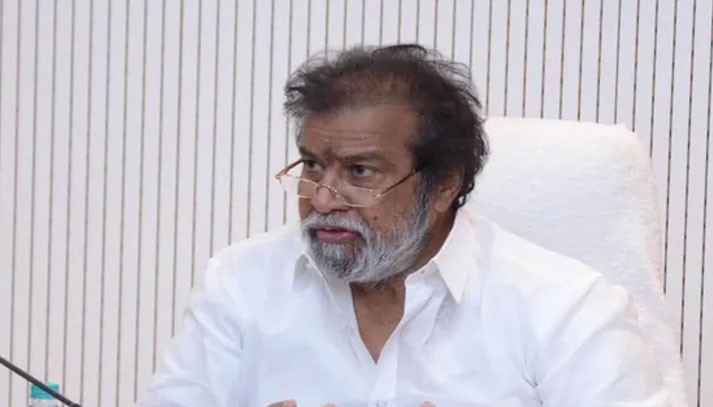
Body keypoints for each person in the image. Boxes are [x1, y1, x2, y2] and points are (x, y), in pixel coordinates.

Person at [138, 44, 669, 407]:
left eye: (360, 172)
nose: (322, 198)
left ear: (443, 186)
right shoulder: (240, 283)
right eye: (313, 166)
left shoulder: (567, 309)